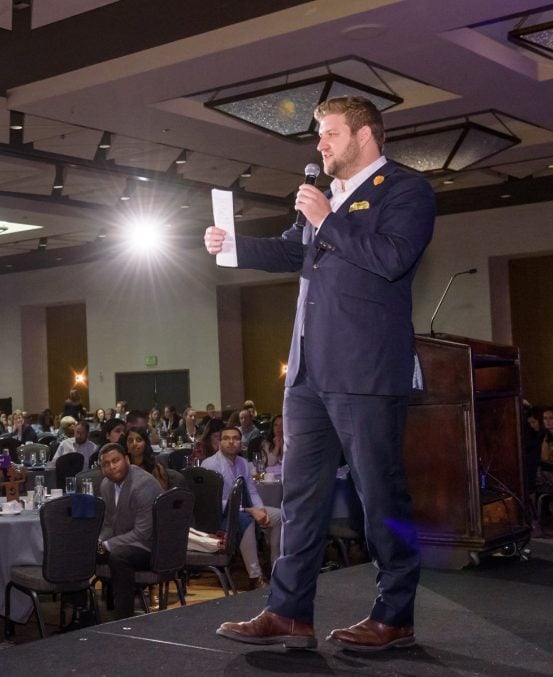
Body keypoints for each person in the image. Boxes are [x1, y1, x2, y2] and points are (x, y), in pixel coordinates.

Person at [204, 95, 434, 652]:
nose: (320, 145)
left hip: (365, 373)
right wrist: (232, 247)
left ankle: (395, 613)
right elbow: (290, 253)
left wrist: (326, 219)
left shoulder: (405, 190)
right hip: (308, 373)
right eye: (319, 135)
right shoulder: (327, 199)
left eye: (330, 133)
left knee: (381, 498)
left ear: (365, 136)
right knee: (303, 498)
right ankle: (288, 612)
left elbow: (391, 258)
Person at [202, 425, 282, 589]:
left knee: (280, 515)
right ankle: (255, 576)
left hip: (241, 510)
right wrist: (249, 510)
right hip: (220, 516)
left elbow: (251, 491)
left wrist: (260, 509)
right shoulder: (209, 465)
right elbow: (214, 503)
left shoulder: (243, 463)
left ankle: (276, 568)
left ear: (241, 443)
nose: (231, 442)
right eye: (226, 438)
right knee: (246, 520)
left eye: (235, 438)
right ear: (219, 442)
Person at [96, 443, 163, 619]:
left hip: (152, 547)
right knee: (83, 549)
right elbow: (110, 524)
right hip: (125, 542)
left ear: (126, 459)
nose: (111, 467)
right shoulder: (106, 485)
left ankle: (123, 619)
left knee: (118, 556)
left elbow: (143, 533)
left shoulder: (143, 485)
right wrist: (98, 542)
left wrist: (106, 545)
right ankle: (82, 611)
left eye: (116, 461)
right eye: (106, 464)